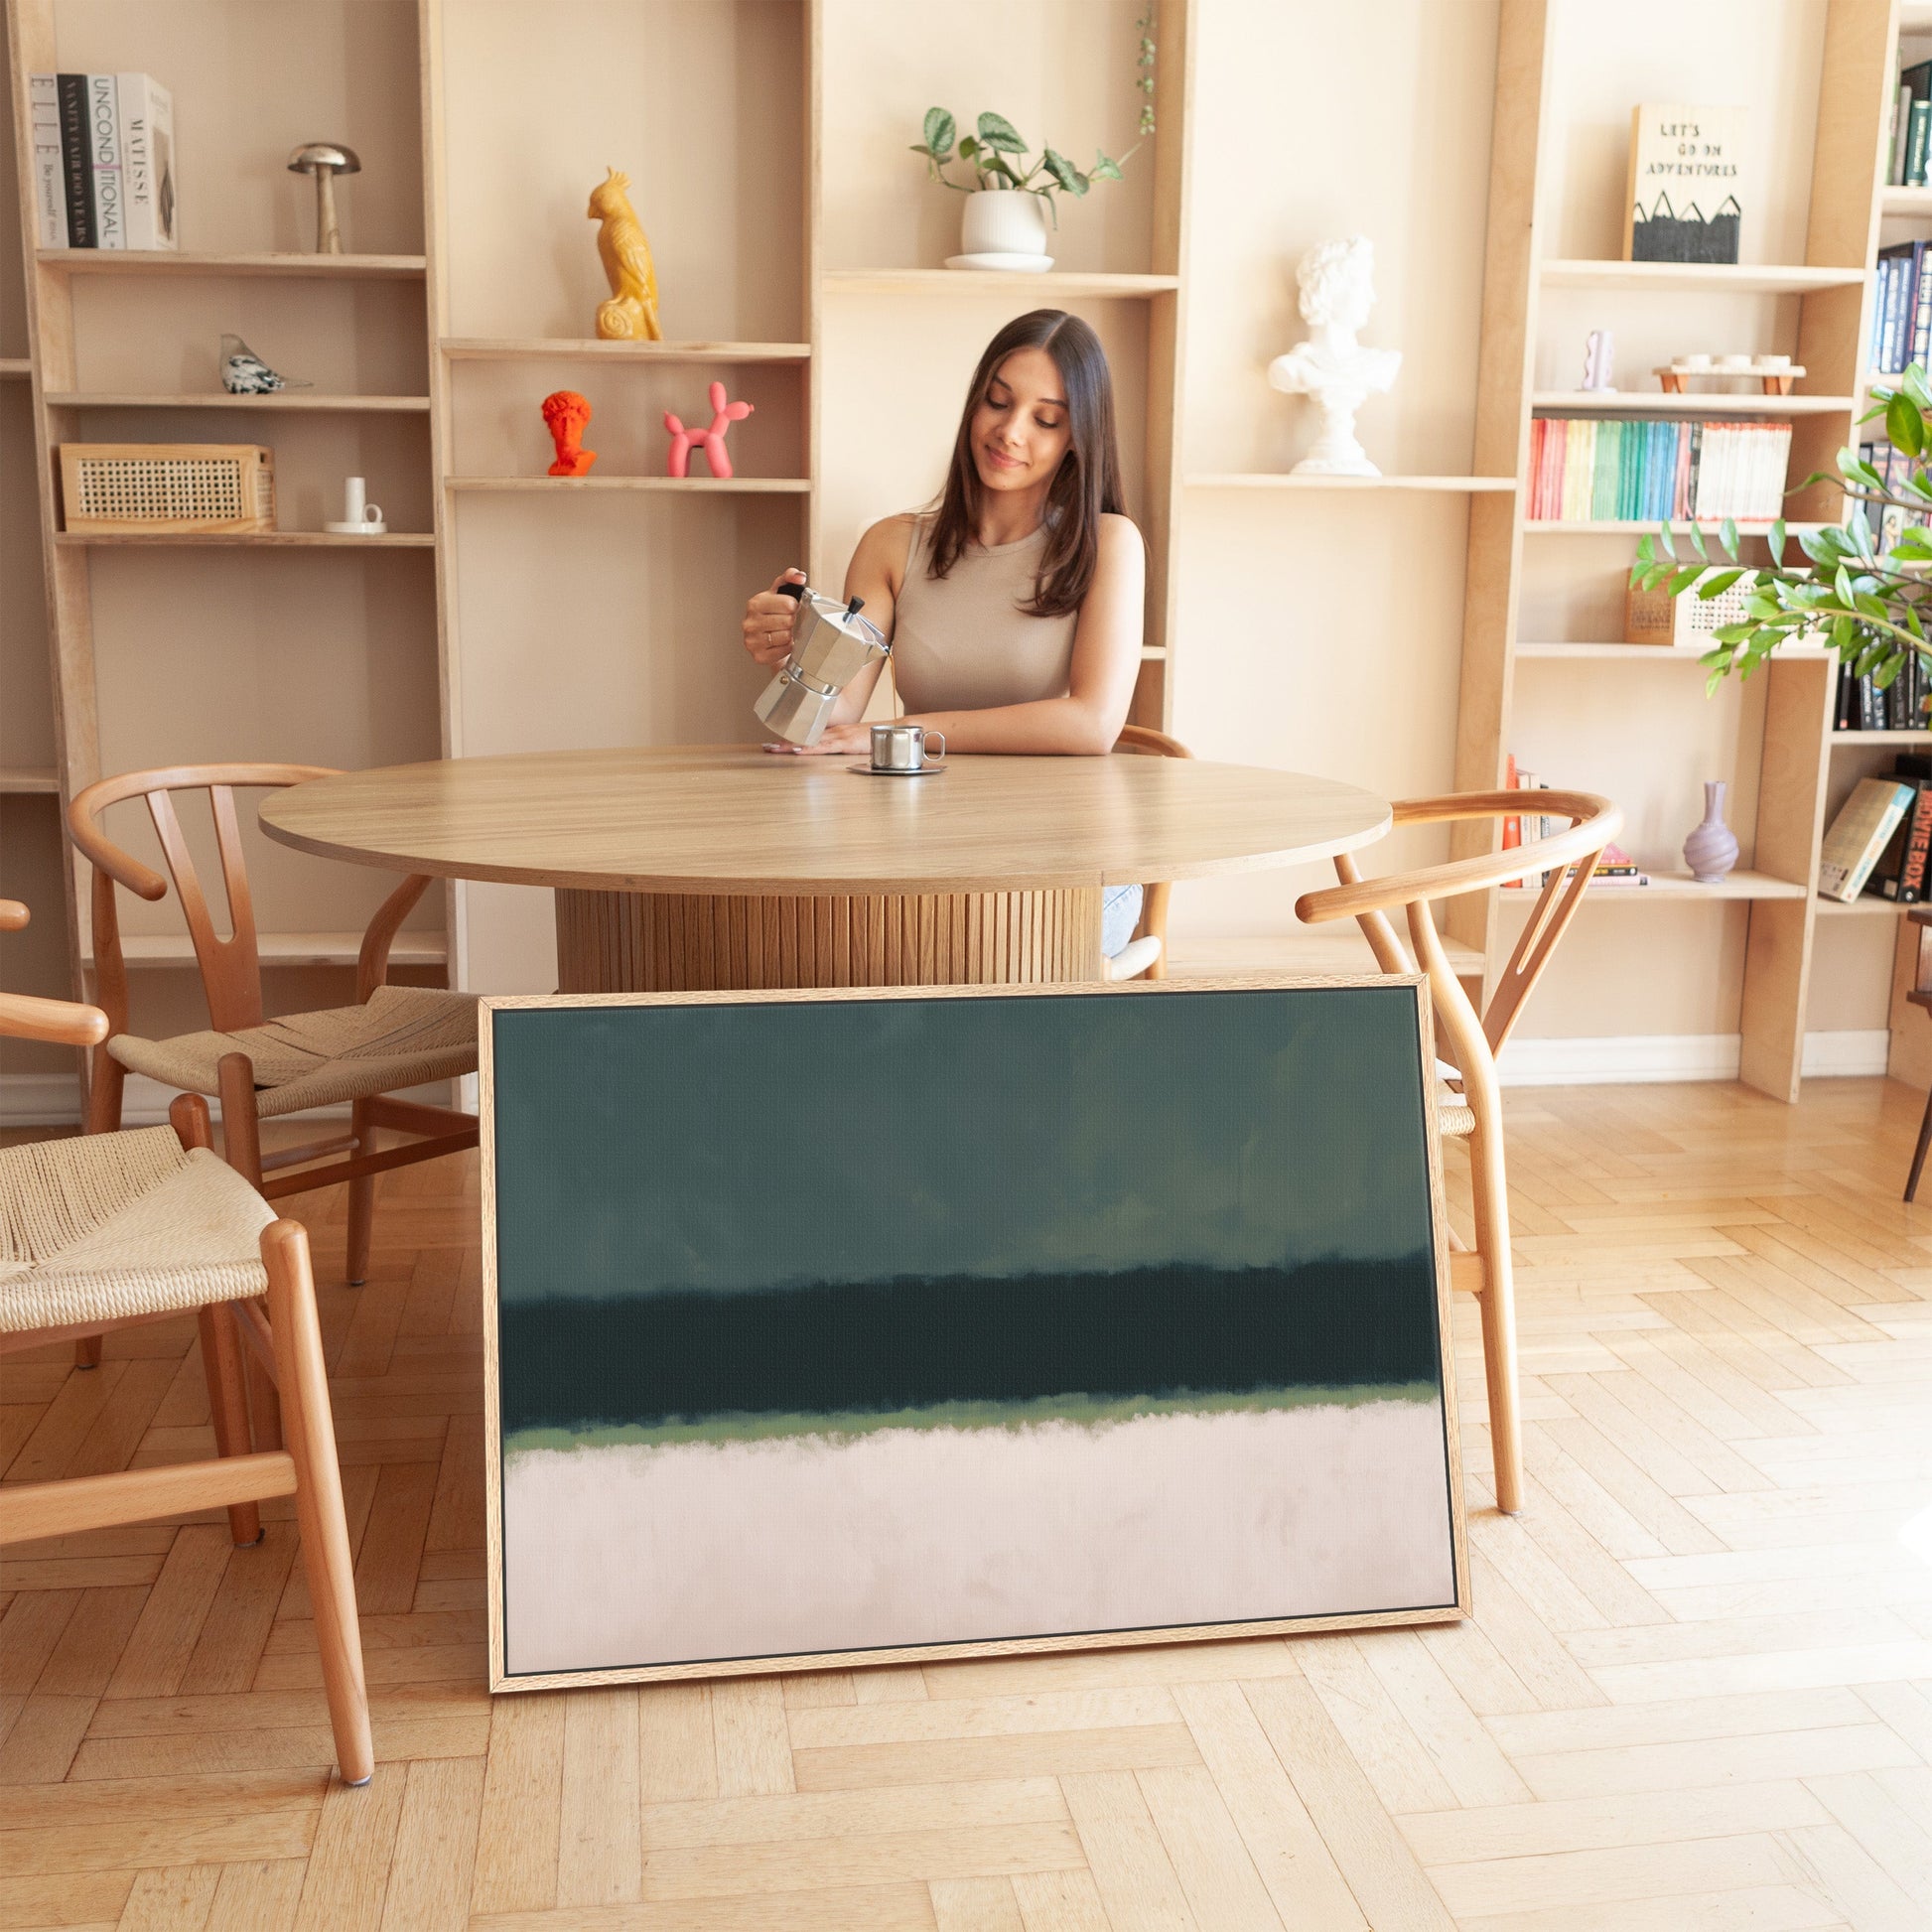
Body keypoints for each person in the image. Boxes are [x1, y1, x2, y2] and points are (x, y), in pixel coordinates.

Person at [740, 308, 1148, 953]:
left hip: (1070, 865)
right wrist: (795, 655)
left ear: (1078, 436)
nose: (1011, 432)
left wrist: (902, 729)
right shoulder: (892, 545)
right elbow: (830, 722)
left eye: (1045, 418)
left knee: (943, 950)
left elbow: (1092, 724)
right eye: (998, 402)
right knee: (807, 936)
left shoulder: (1110, 544)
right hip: (926, 857)